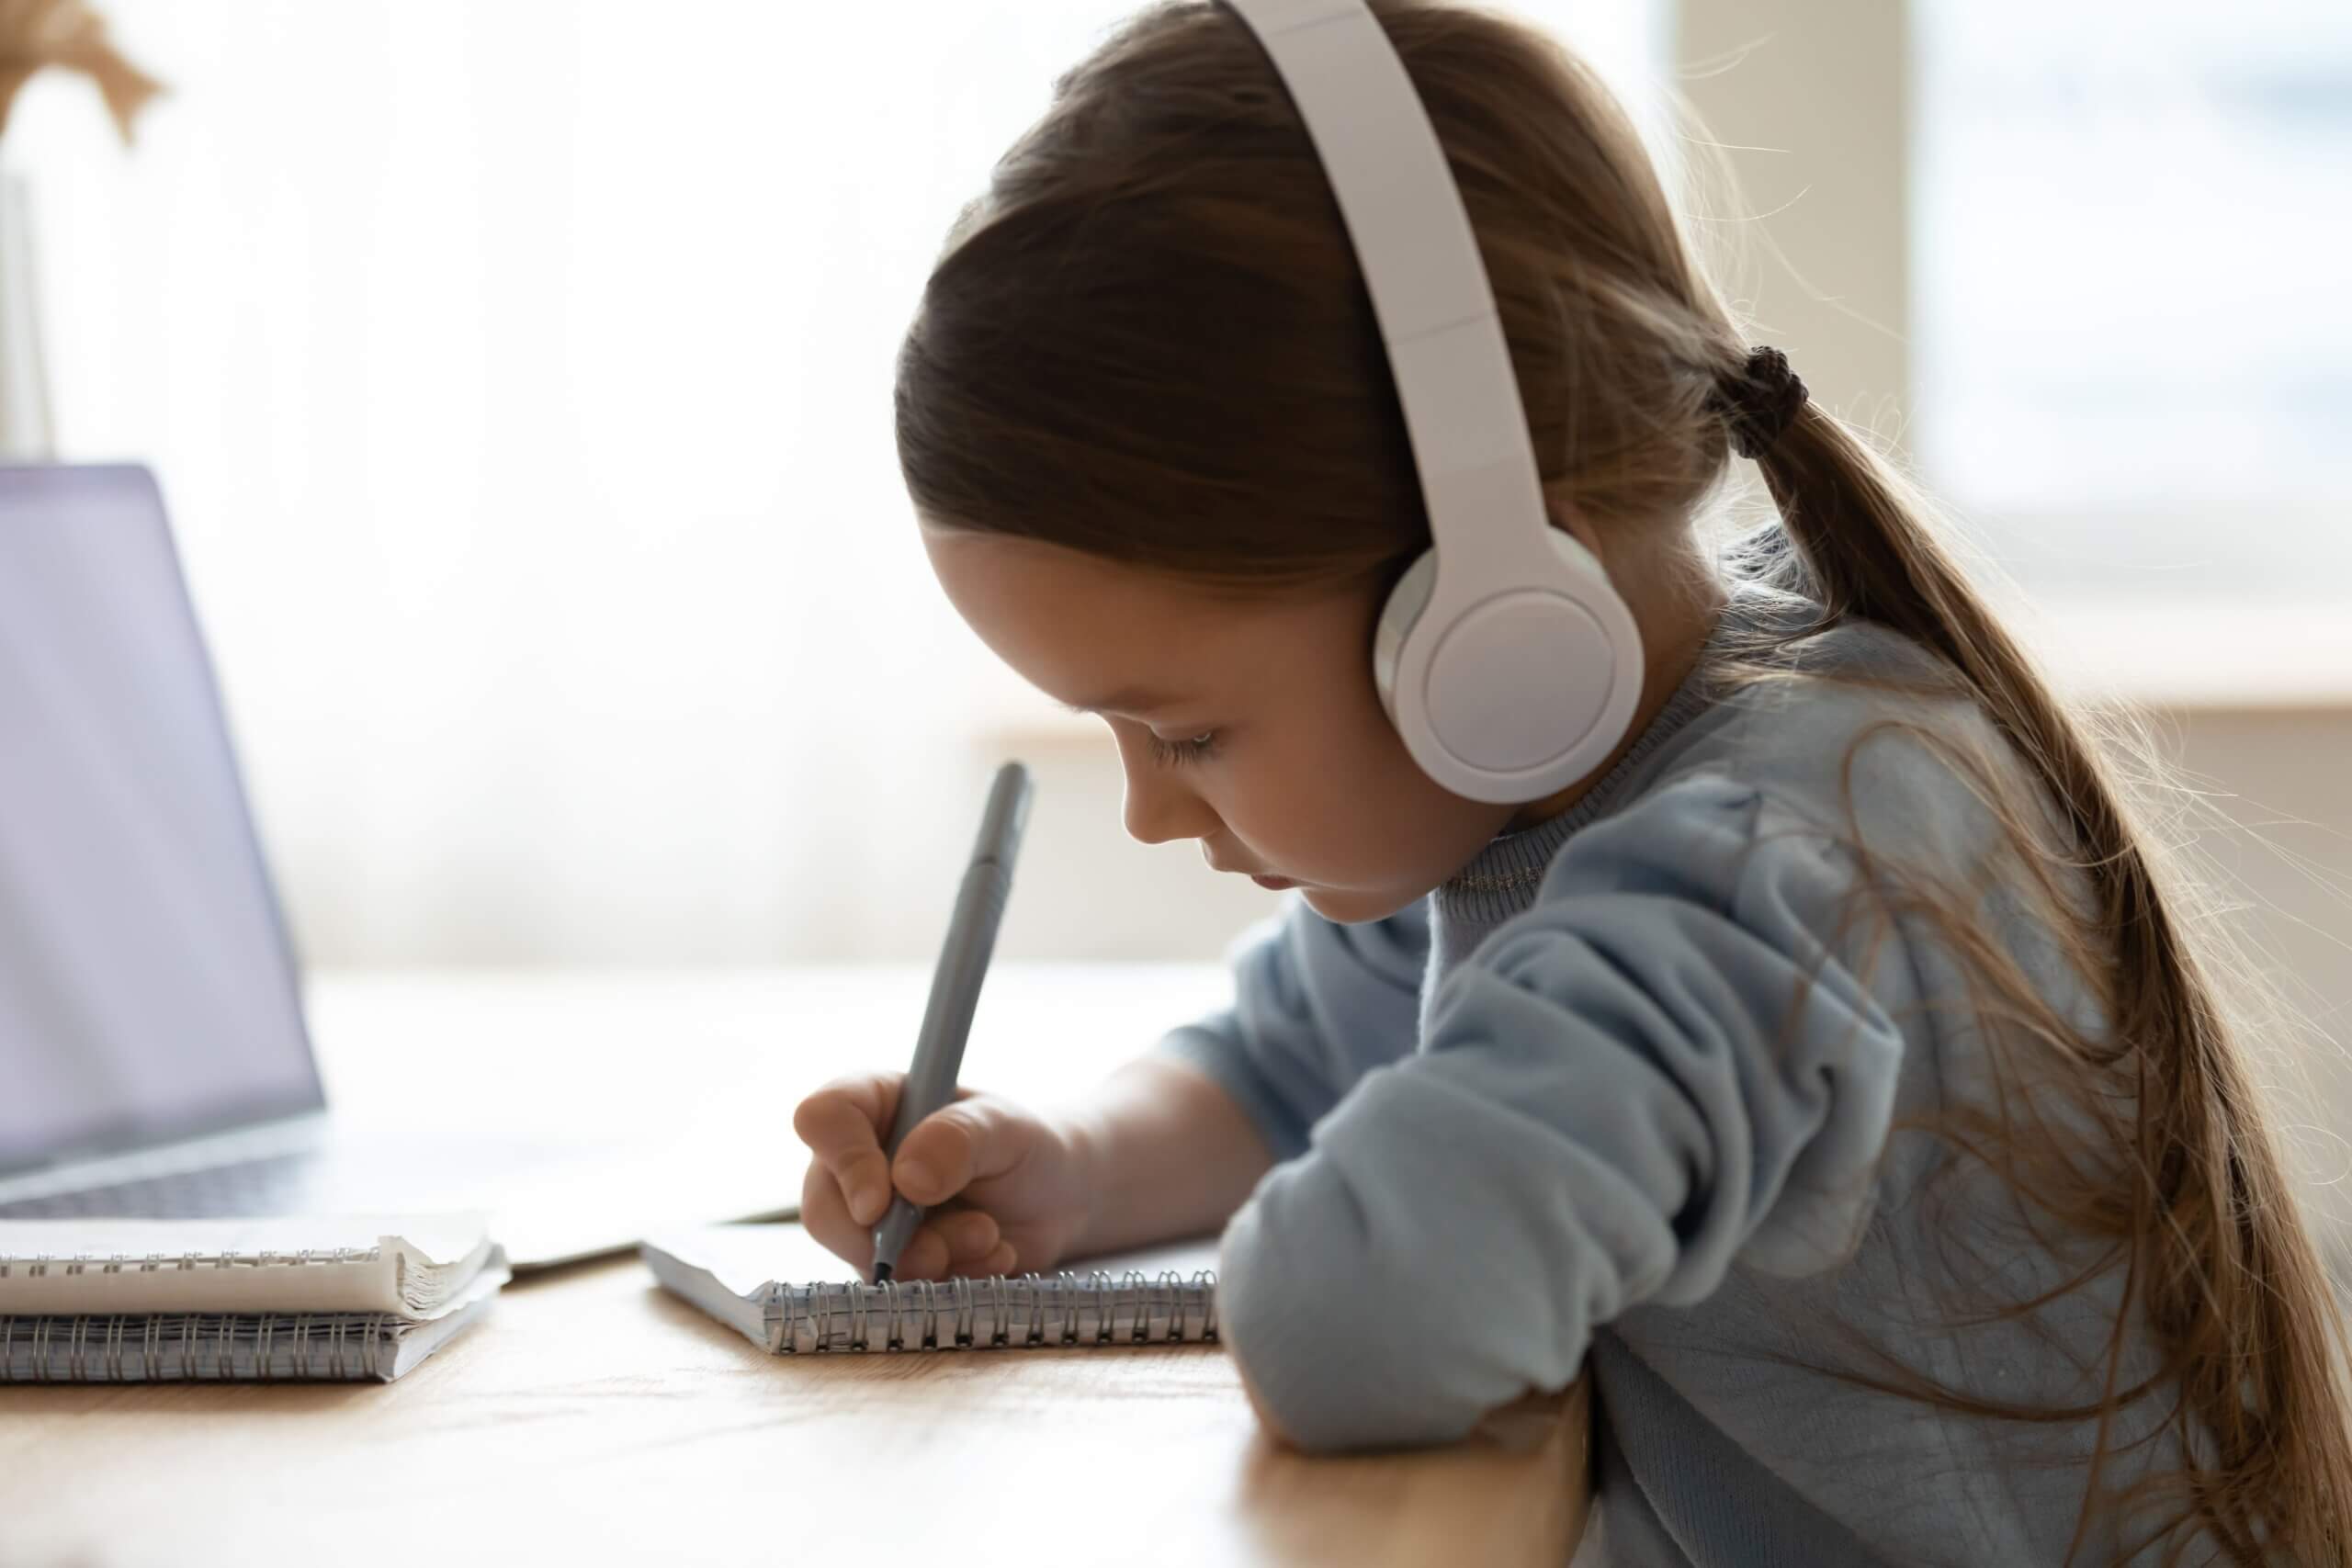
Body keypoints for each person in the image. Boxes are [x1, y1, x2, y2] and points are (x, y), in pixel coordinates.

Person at [791, 3, 2352, 1560]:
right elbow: (1298, 1052)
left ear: (1479, 617)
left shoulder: (1773, 867)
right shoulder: (1572, 785)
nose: (1148, 808)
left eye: (1188, 733)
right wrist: (1065, 1166)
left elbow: (1358, 1323)